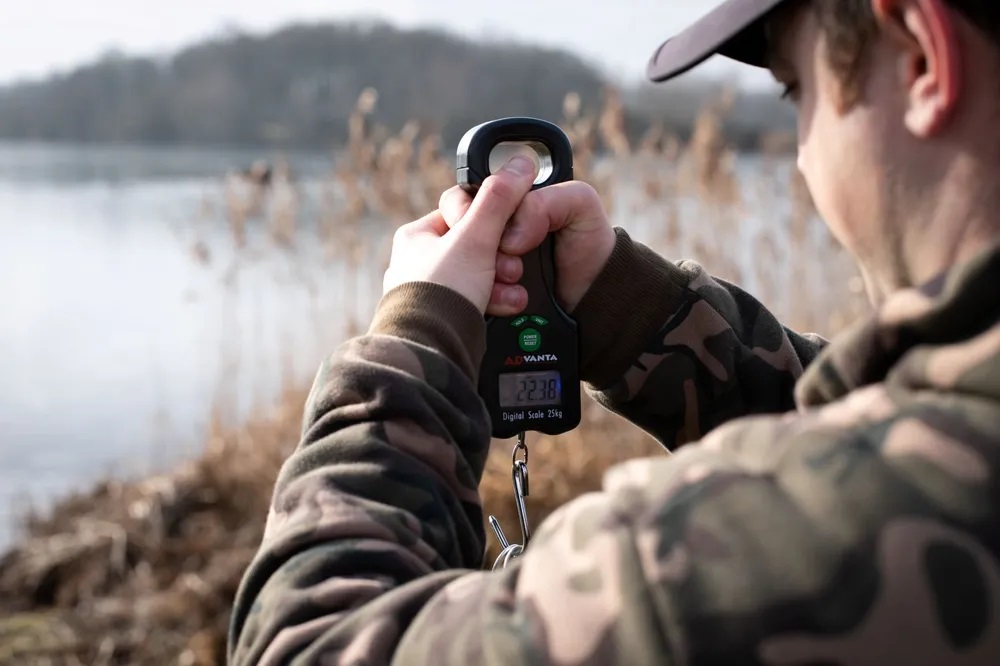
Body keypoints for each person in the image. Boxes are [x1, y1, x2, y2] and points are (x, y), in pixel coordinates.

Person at [228, 0, 1000, 662]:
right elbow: (878, 431)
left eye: (797, 90)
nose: (801, 157)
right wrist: (628, 311)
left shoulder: (706, 564)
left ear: (922, 56)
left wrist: (414, 342)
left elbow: (310, 641)